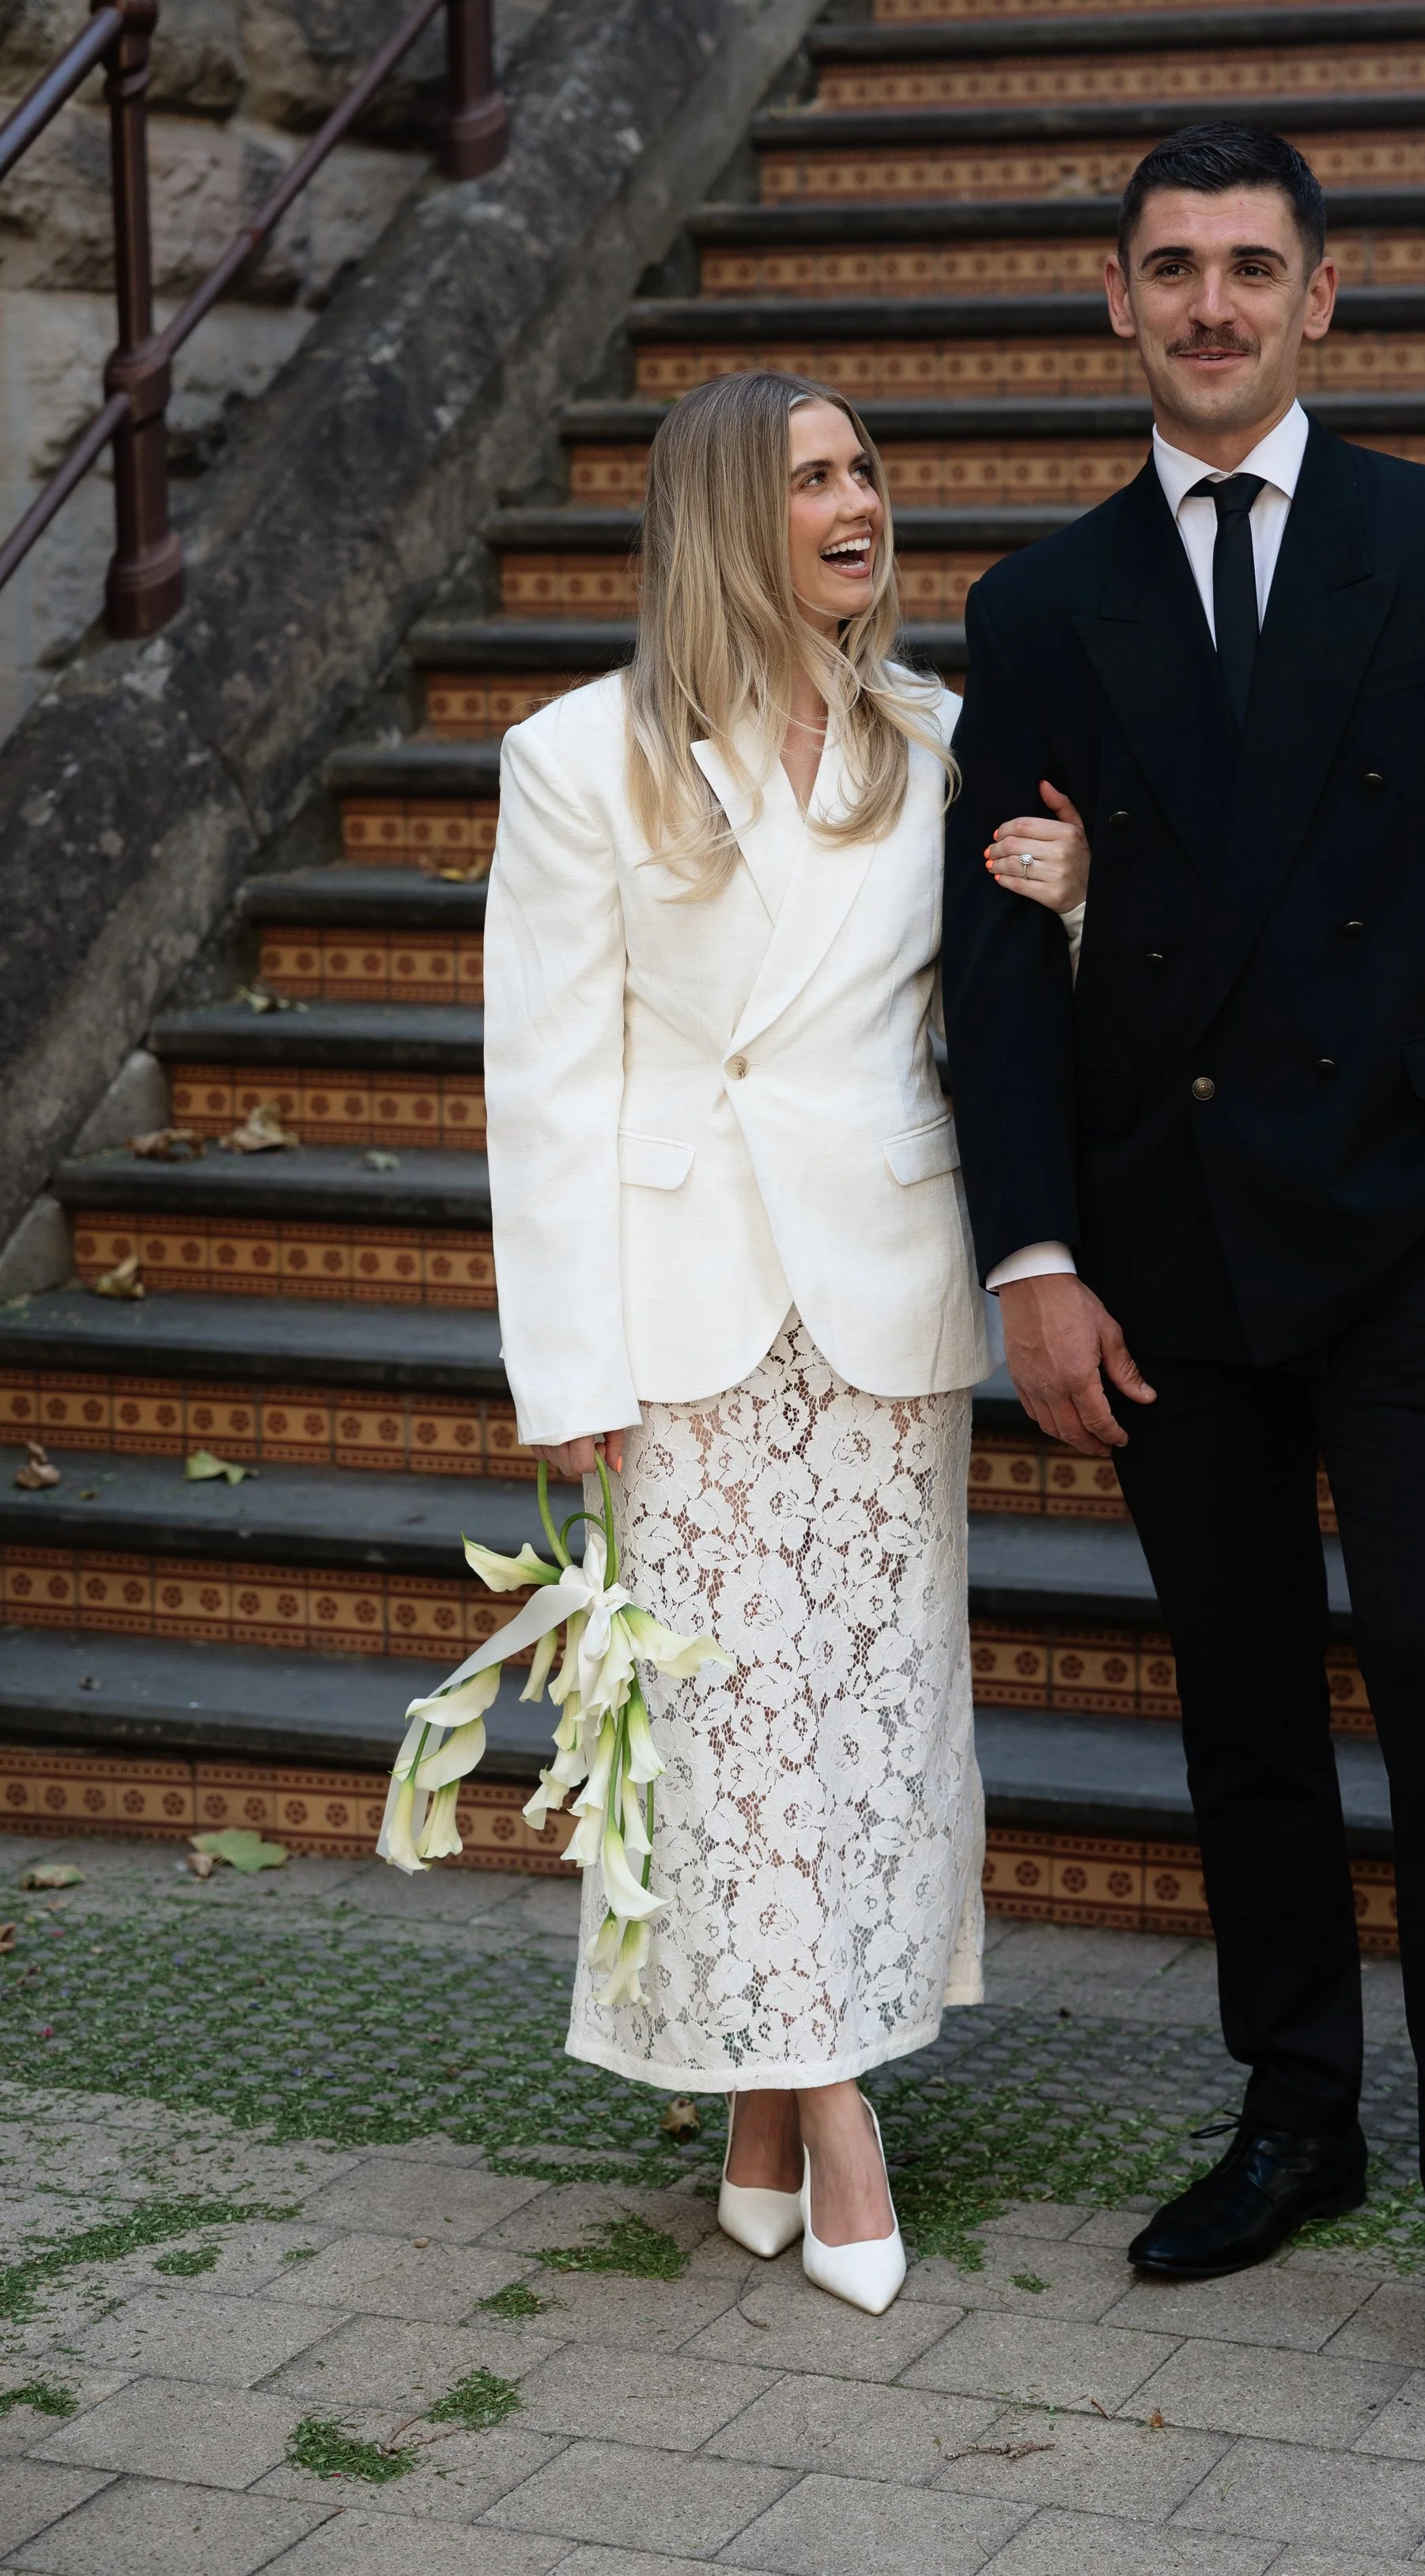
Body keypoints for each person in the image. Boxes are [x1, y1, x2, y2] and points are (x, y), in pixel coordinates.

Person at [948, 123, 1425, 2415]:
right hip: (1171, 1256)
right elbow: (998, 972)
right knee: (1241, 1707)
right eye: (1171, 269)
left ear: (1323, 295)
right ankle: (1296, 2118)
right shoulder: (1039, 609)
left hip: (1414, 1234)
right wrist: (1031, 1255)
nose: (1212, 305)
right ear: (1115, 304)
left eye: (1252, 266)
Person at [482, 370, 1087, 2315]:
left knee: (869, 1724)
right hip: (682, 1320)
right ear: (729, 517)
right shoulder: (582, 759)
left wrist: (1078, 902)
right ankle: (835, 2117)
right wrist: (563, 1368)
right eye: (812, 477)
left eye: (866, 471)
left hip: (884, 1293)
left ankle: (753, 2107)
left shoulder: (939, 741)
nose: (855, 503)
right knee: (734, 1730)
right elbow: (547, 1086)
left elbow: (1004, 1010)